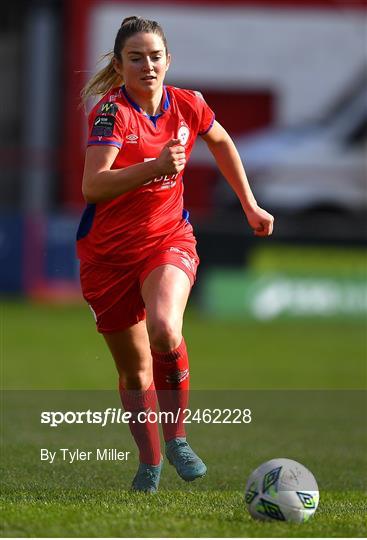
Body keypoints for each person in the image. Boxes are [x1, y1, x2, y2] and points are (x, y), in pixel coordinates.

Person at [77, 16, 274, 493]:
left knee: (166, 328)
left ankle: (179, 437)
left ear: (169, 60)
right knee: (134, 369)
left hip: (168, 237)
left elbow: (222, 141)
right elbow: (92, 186)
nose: (147, 65)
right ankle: (150, 462)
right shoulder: (110, 113)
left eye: (155, 56)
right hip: (107, 257)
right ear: (120, 65)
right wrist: (153, 167)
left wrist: (249, 203)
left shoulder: (188, 103)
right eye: (136, 57)